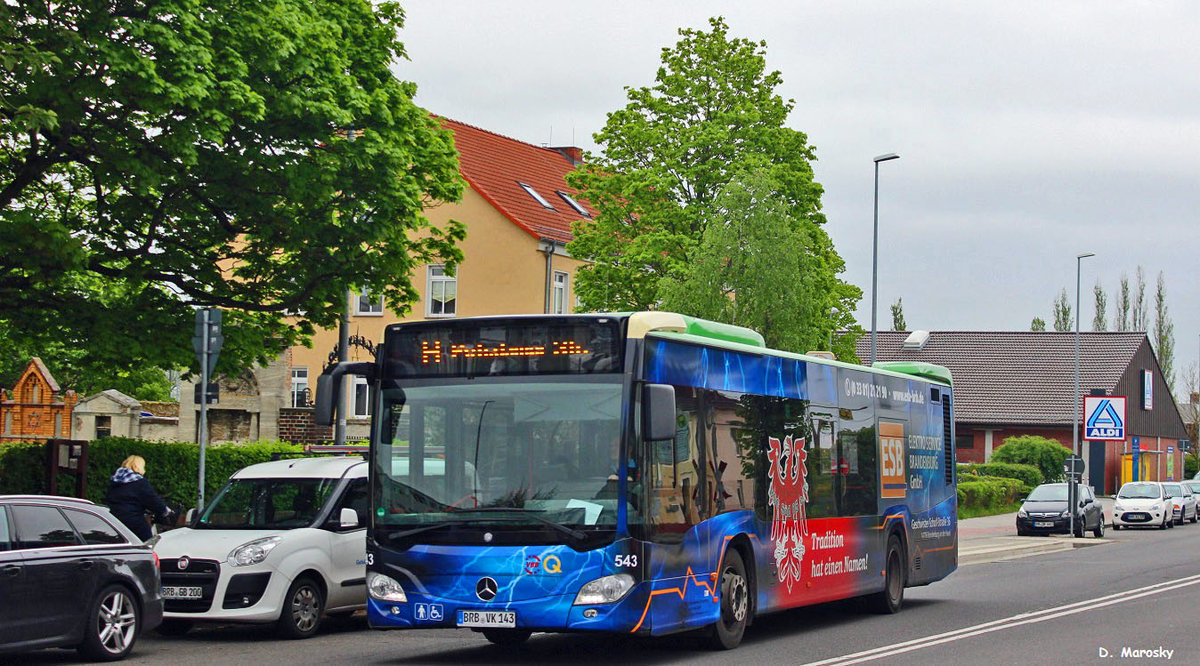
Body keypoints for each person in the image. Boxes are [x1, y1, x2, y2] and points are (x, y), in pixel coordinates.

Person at [105, 455, 172, 541]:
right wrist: (164, 510)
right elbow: (152, 499)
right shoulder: (139, 482)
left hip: (115, 520)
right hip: (133, 520)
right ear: (138, 466)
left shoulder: (115, 480)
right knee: (147, 542)